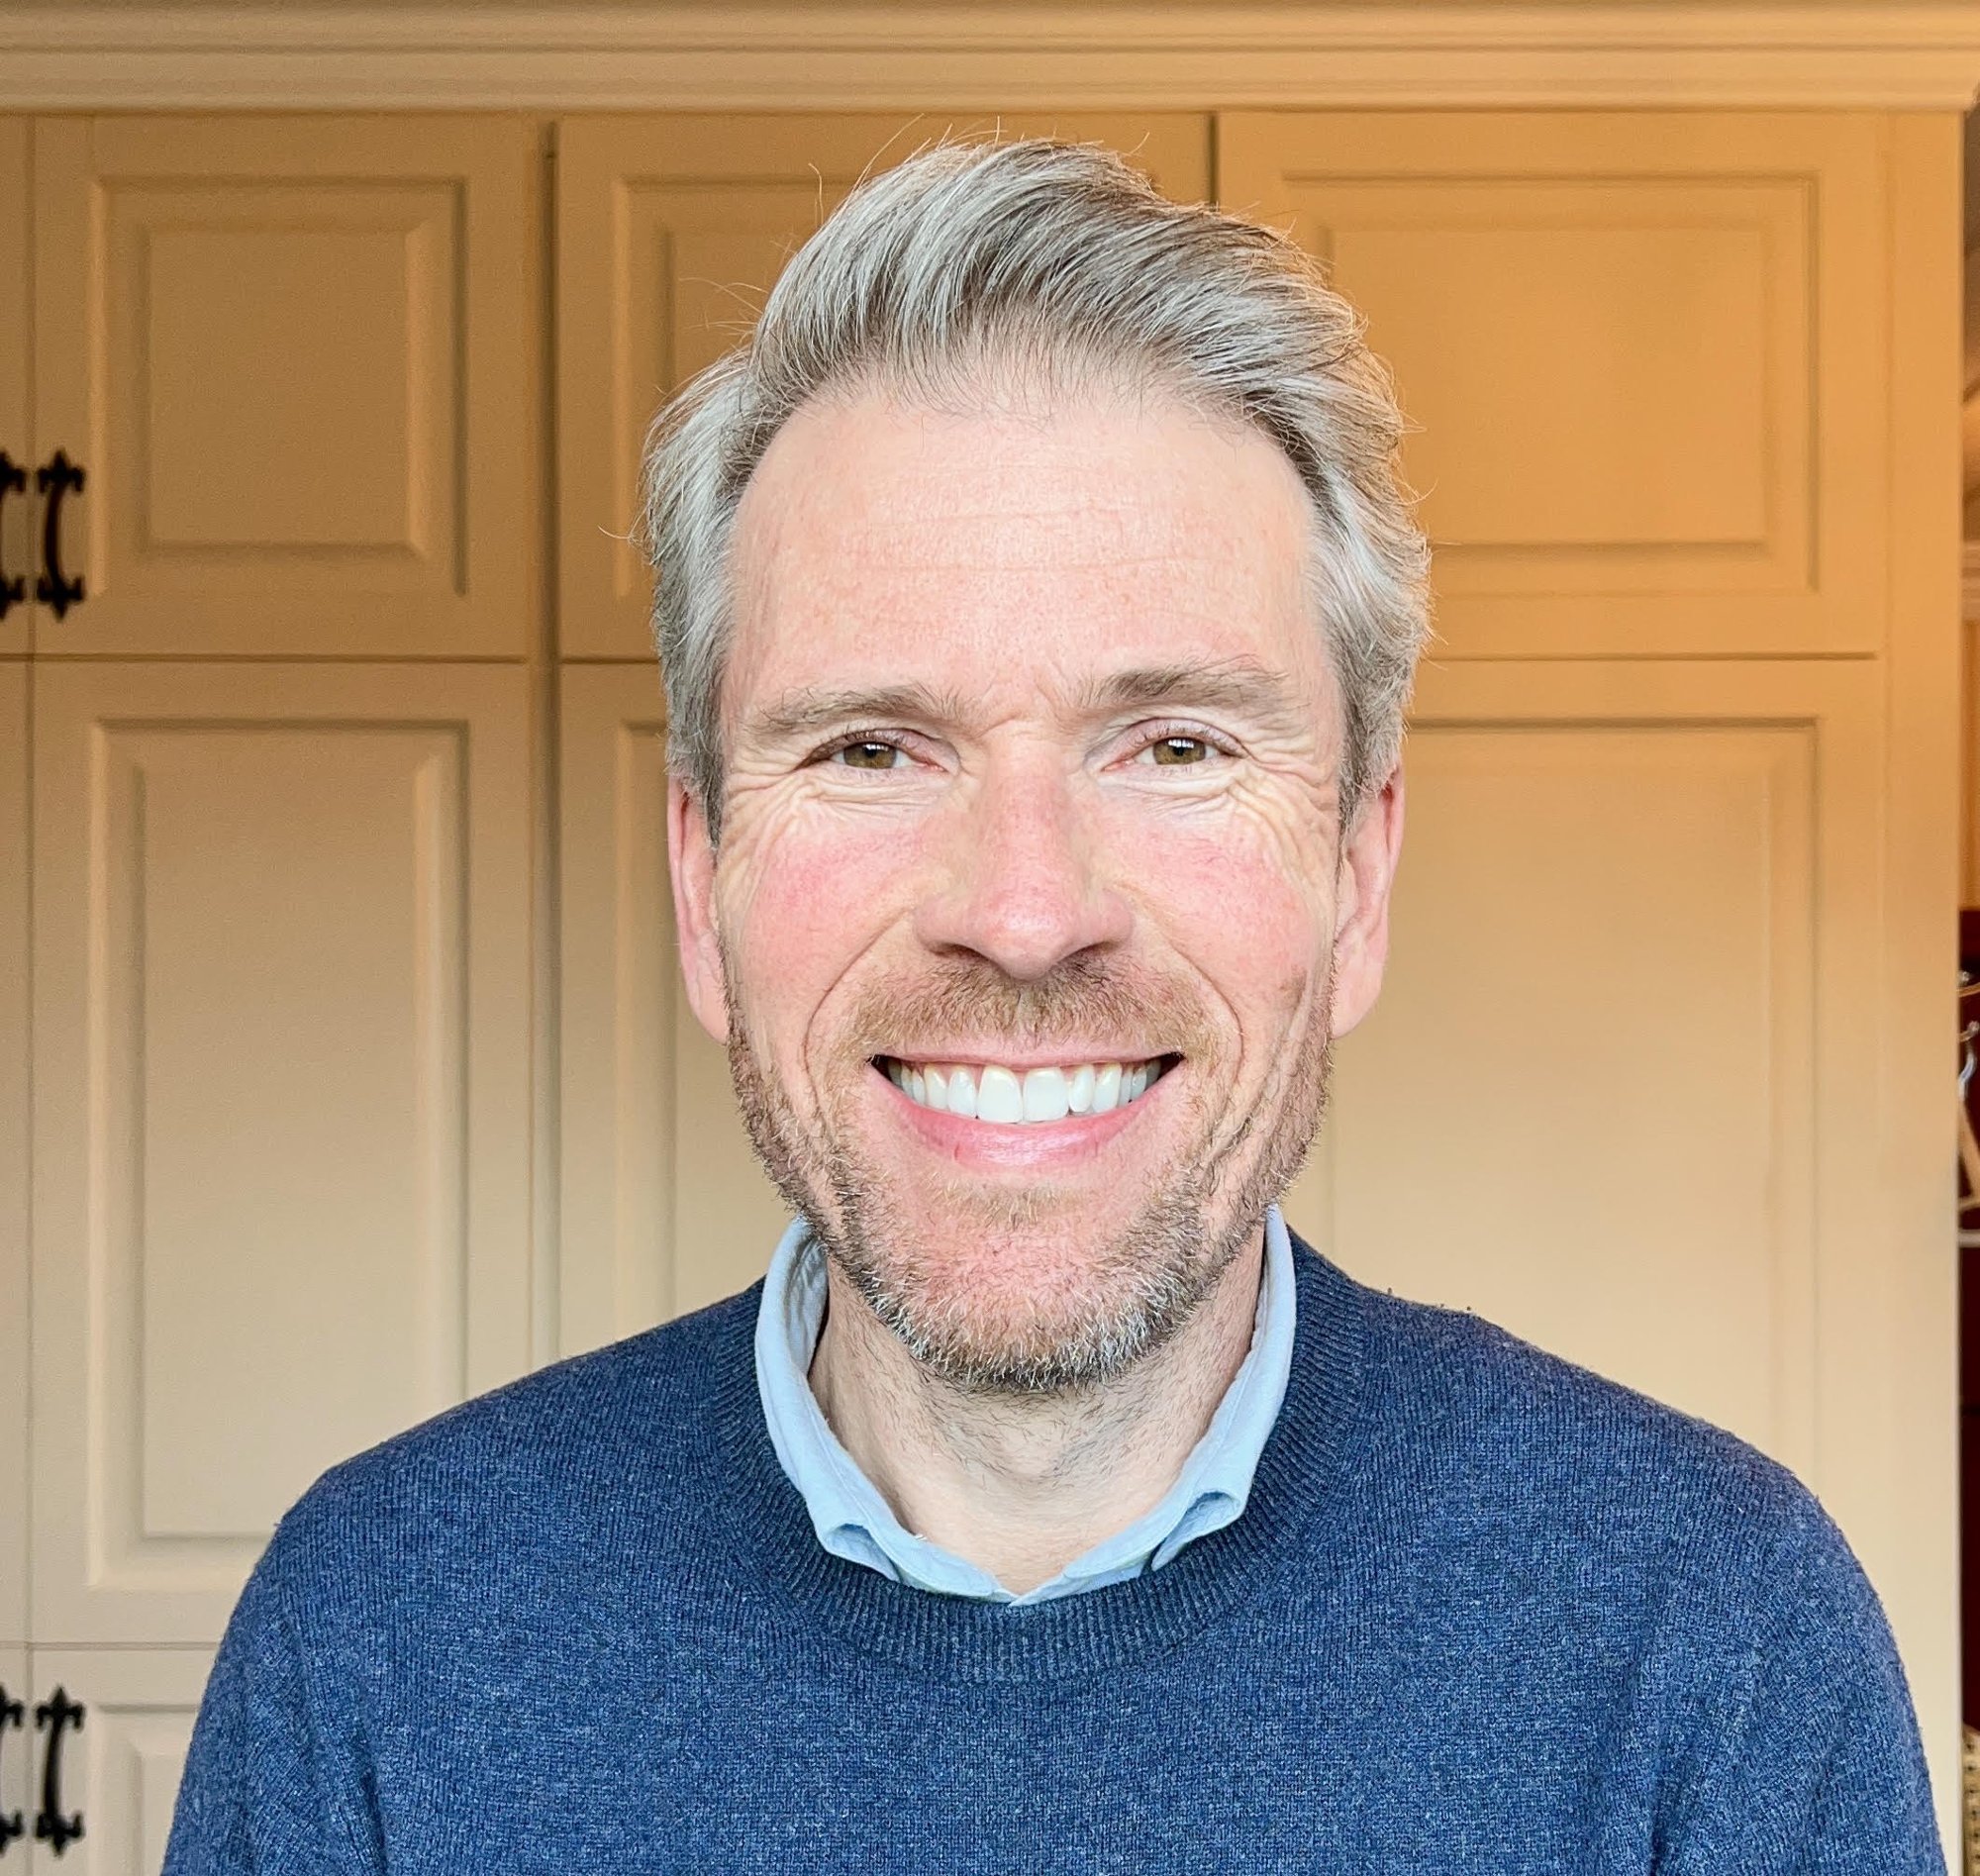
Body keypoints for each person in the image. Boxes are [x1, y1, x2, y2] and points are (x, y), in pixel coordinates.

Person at [164, 138, 1942, 1872]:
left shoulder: (1713, 1645)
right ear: (704, 885)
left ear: (1357, 871)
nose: (1024, 916)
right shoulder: (377, 1646)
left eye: (1175, 746)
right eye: (872, 750)